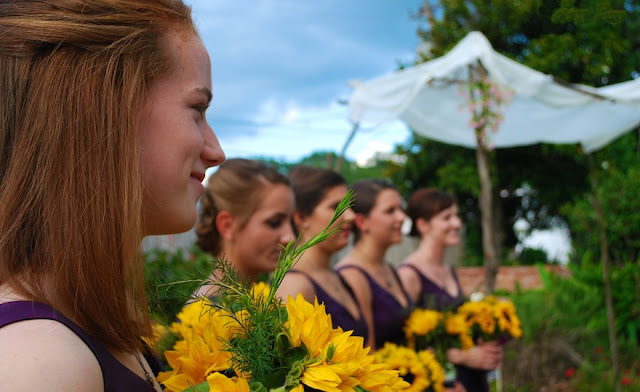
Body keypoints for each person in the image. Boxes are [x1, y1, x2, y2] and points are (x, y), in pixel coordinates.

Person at [0, 0, 226, 390]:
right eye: (197, 109)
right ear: (103, 107)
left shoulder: (84, 325)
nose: (216, 150)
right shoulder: (45, 363)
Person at [398, 188, 502, 392]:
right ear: (422, 224)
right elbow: (405, 344)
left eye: (456, 216)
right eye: (447, 217)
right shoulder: (409, 274)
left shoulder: (449, 271)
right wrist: (464, 356)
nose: (456, 223)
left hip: (472, 381)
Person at [276, 166, 368, 340]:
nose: (350, 216)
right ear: (301, 218)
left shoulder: (337, 277)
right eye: (336, 207)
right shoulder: (294, 286)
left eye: (349, 207)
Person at [194, 158, 295, 296]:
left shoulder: (255, 299)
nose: (290, 238)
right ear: (228, 226)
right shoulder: (205, 313)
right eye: (274, 222)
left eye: (291, 223)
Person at [335, 179, 412, 350]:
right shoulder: (353, 275)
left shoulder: (388, 268)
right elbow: (367, 351)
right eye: (390, 211)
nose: (401, 217)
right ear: (362, 222)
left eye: (401, 209)